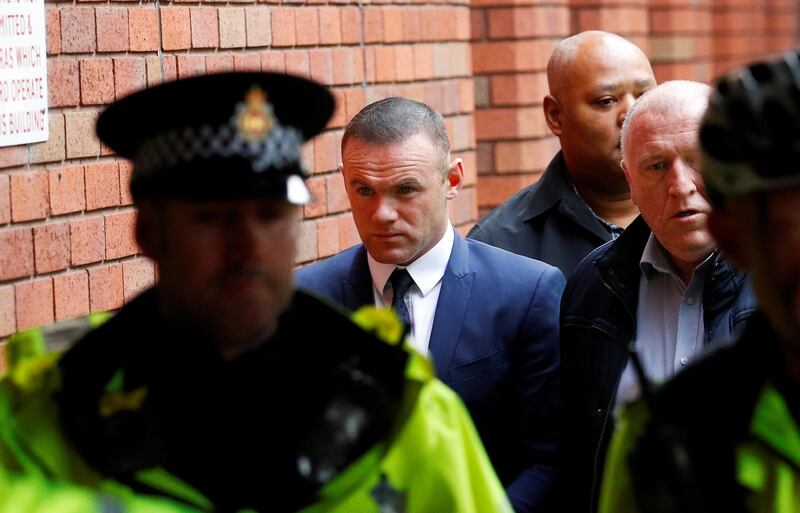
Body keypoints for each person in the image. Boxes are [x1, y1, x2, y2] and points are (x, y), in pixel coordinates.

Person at [0, 73, 513, 513]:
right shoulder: (45, 411)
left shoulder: (404, 411)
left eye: (270, 216)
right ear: (149, 233)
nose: (247, 245)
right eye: (211, 219)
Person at [296, 97, 565, 513]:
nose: (382, 213)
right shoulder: (307, 300)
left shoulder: (526, 292)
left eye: (405, 190)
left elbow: (549, 458)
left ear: (452, 180)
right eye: (363, 190)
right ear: (344, 179)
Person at [599, 49, 800, 513]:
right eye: (796, 230)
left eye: (695, 162)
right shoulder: (670, 430)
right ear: (732, 238)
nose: (682, 186)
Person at [558, 81, 756, 513]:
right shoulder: (593, 286)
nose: (680, 185)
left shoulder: (782, 281)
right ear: (629, 179)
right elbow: (577, 453)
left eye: (697, 160)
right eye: (656, 166)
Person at [468, 31, 656, 277]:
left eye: (644, 96)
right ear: (556, 116)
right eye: (607, 101)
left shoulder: (707, 212)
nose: (632, 115)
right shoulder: (499, 247)